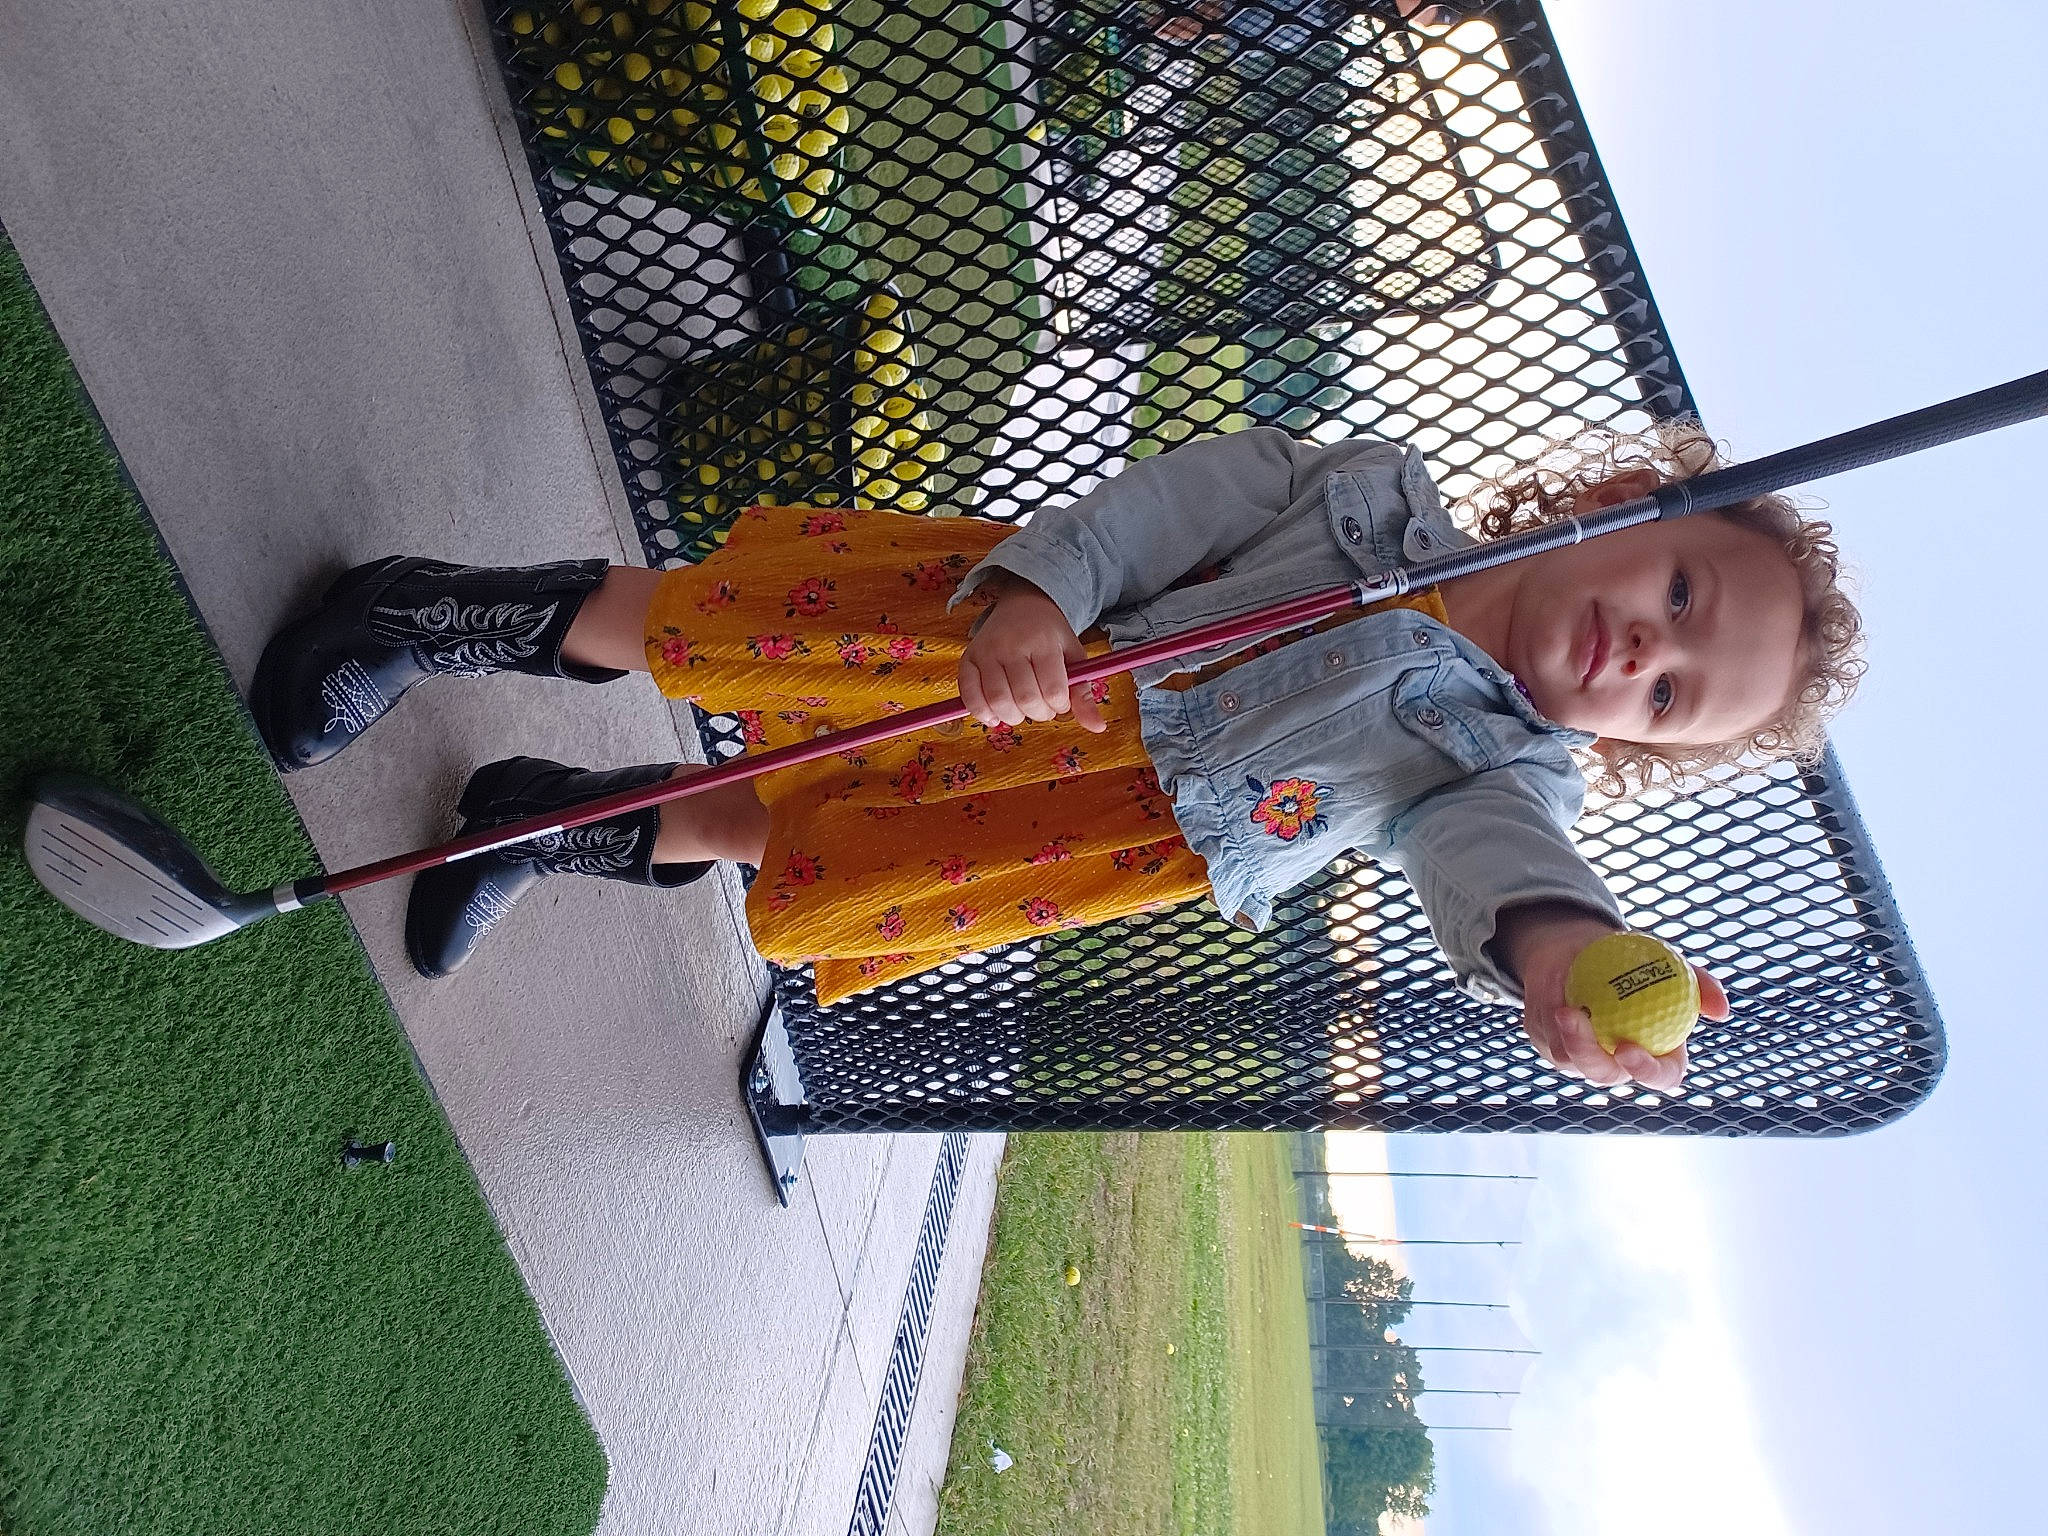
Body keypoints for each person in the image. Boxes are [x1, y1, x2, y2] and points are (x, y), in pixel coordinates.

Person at [250, 420, 1863, 1092]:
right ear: (1618, 510)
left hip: (1083, 830)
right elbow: (1172, 509)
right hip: (1023, 645)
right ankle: (421, 616)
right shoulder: (1368, 494)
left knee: (787, 837)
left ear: (1631, 743)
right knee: (720, 627)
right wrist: (1041, 587)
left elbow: (1503, 878)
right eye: (1677, 593)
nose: (1648, 652)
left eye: (1671, 698)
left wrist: (1564, 953)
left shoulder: (1505, 777)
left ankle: (528, 828)